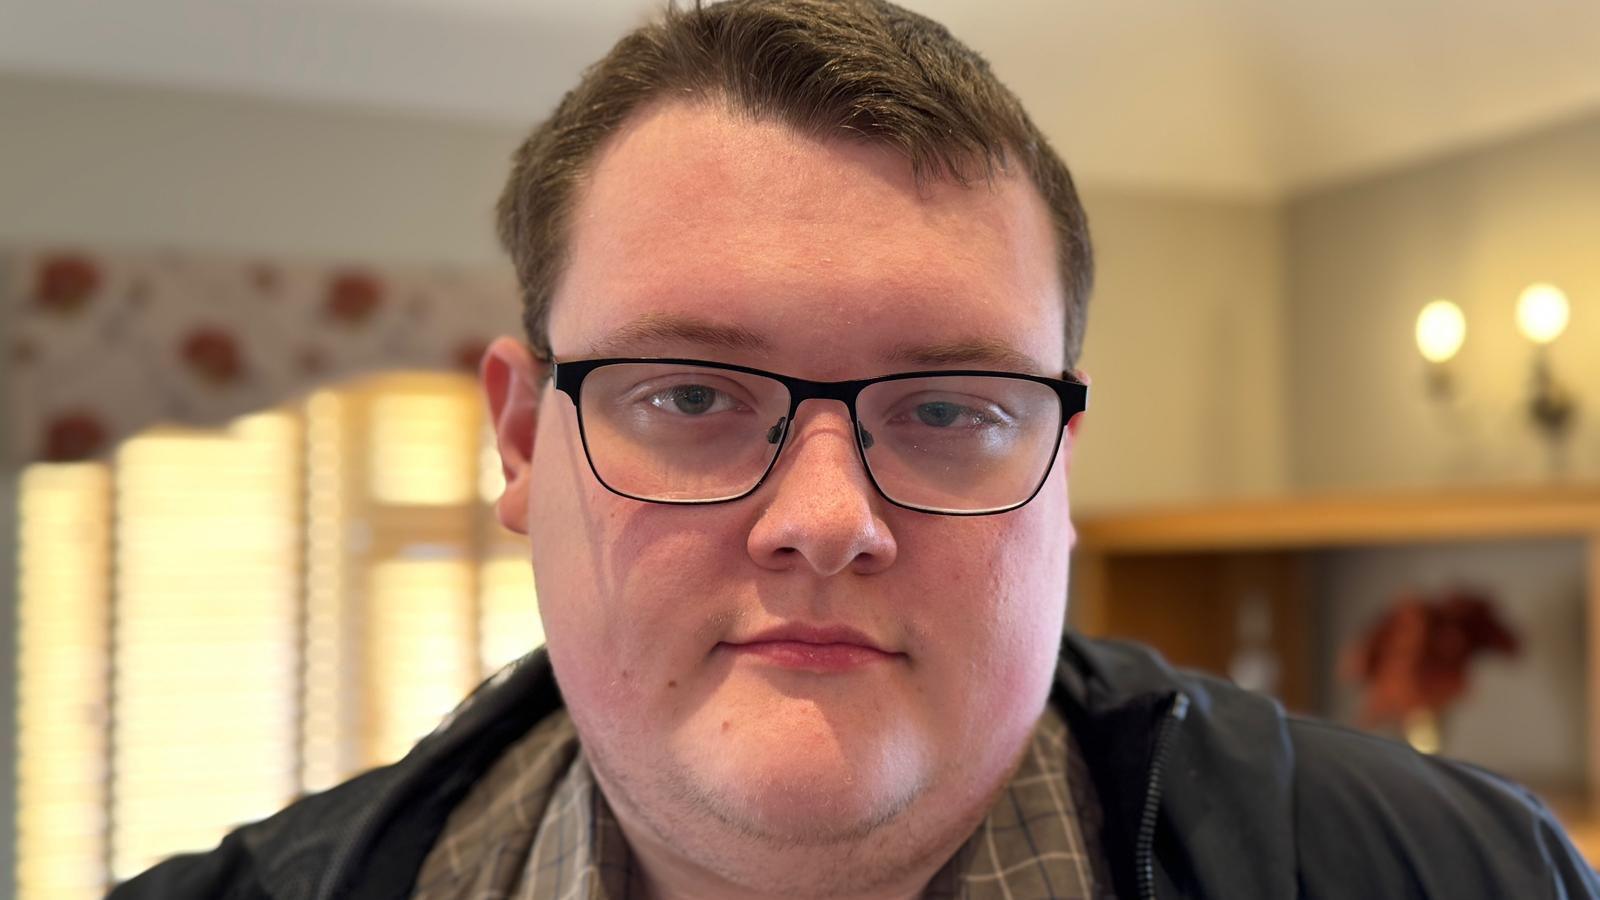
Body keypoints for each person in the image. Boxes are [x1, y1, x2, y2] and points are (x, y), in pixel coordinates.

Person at [113, 1, 1600, 898]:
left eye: (949, 408)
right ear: (521, 438)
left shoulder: (1466, 875)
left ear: (1062, 462)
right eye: (690, 395)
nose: (825, 521)